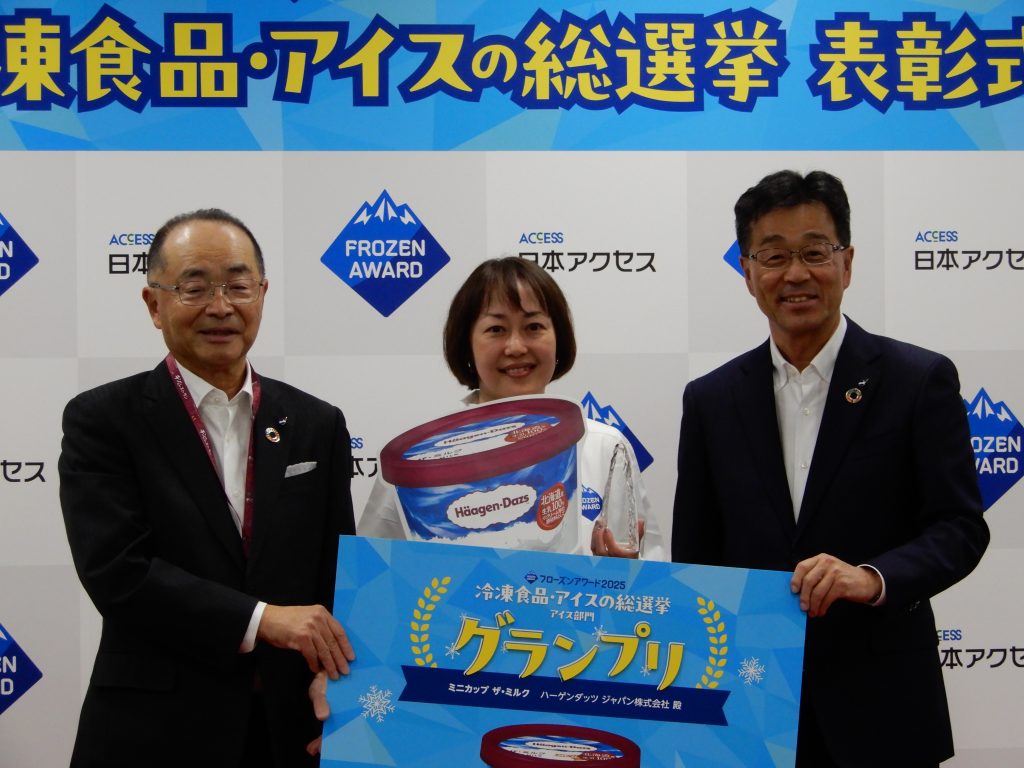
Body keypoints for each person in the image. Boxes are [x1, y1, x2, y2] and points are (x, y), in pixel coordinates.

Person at [672, 170, 989, 767]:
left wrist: (871, 577)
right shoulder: (711, 400)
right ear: (747, 272)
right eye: (774, 256)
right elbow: (697, 557)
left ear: (847, 262)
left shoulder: (918, 381)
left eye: (815, 252)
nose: (796, 273)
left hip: (883, 708)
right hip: (752, 706)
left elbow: (960, 528)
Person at [59, 209, 356, 767]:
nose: (221, 306)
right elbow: (118, 573)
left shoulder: (317, 423)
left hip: (290, 730)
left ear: (262, 294)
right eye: (194, 287)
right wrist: (262, 619)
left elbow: (339, 575)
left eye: (238, 286)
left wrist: (340, 679)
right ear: (154, 304)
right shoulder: (103, 419)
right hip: (153, 733)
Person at [359, 256, 666, 560]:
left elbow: (651, 572)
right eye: (496, 329)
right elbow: (370, 573)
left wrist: (622, 575)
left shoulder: (605, 447)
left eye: (534, 326)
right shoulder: (418, 463)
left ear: (559, 339)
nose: (516, 347)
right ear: (467, 344)